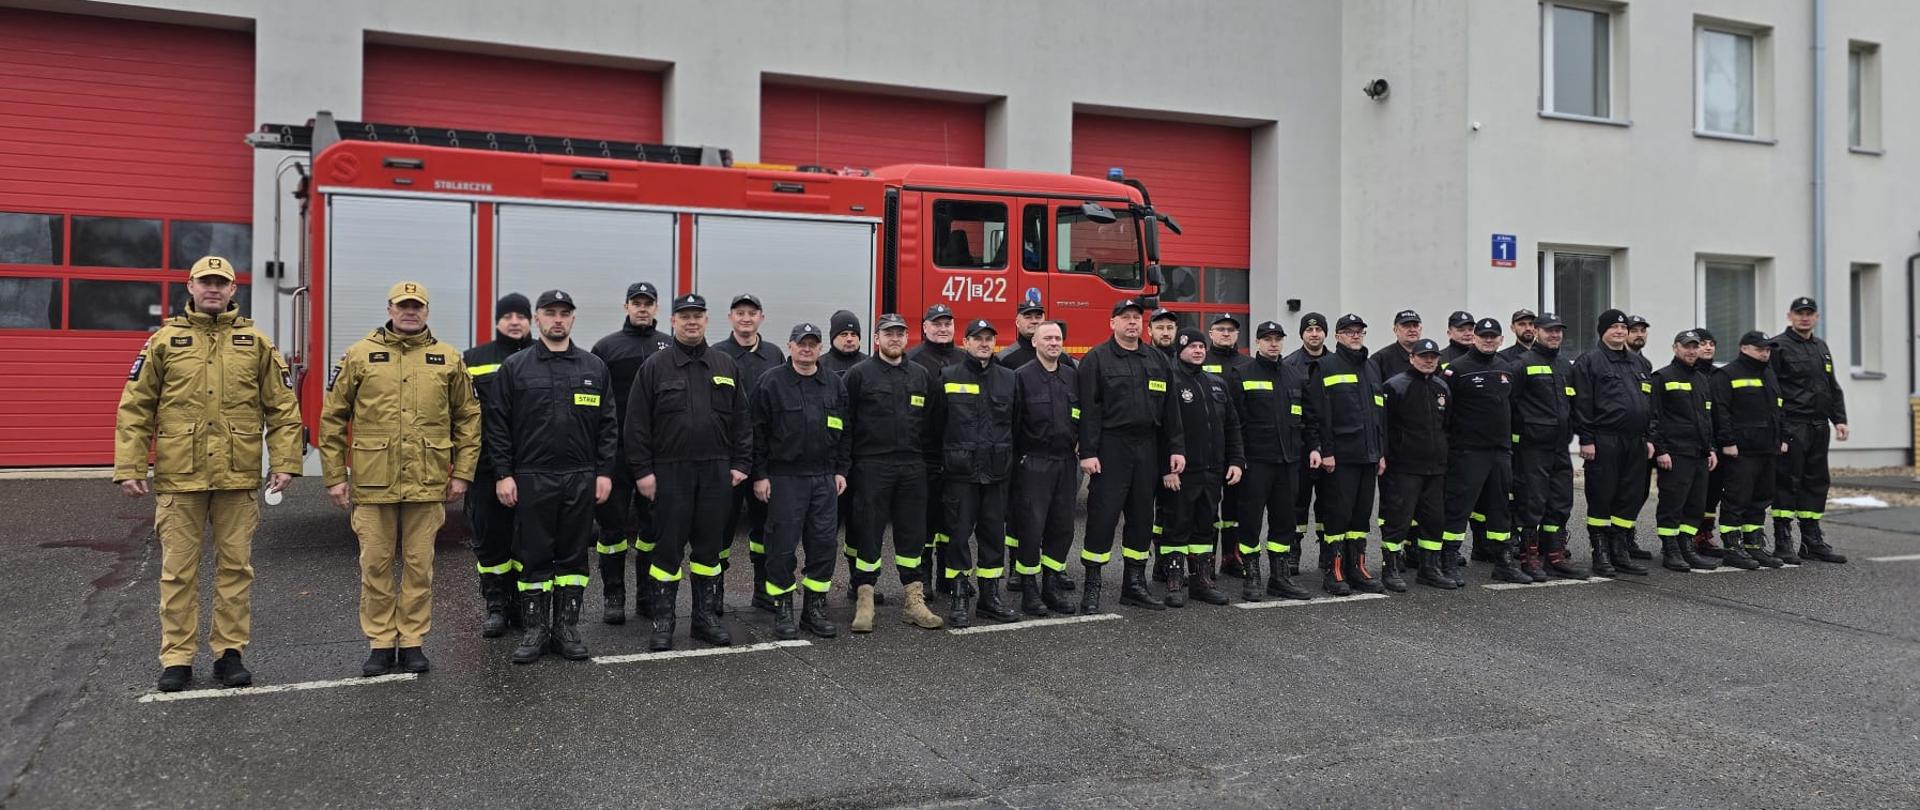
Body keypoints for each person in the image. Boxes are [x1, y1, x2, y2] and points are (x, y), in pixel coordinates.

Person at [114, 255, 302, 692]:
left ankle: (228, 653)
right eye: (206, 282)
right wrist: (129, 464)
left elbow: (282, 408)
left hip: (237, 477)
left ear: (234, 290)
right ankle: (177, 658)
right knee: (178, 571)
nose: (213, 288)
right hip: (181, 477)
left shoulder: (256, 343)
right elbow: (135, 408)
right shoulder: (164, 342)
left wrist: (286, 462)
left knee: (235, 568)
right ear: (191, 287)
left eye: (222, 282)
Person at [320, 281, 483, 676]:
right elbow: (332, 418)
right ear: (390, 308)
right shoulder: (359, 356)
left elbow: (468, 419)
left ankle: (411, 641)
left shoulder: (446, 358)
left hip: (427, 481)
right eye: (403, 306)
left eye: (417, 306)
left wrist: (462, 473)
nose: (410, 312)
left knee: (418, 565)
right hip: (374, 482)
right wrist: (333, 477)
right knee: (374, 564)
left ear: (426, 311)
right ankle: (379, 642)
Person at [484, 289, 619, 664]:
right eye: (550, 313)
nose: (557, 319)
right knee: (534, 555)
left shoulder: (593, 368)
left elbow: (608, 426)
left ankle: (566, 628)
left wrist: (605, 473)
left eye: (564, 313)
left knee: (574, 556)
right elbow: (498, 426)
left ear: (573, 319)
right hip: (532, 477)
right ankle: (535, 629)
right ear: (538, 319)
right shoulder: (517, 367)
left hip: (580, 476)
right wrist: (503, 475)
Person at [626, 293, 752, 651]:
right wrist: (643, 472)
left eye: (698, 316)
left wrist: (742, 465)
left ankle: (705, 620)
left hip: (716, 472)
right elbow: (636, 424)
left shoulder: (725, 365)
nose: (691, 321)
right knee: (667, 551)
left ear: (707, 321)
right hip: (670, 472)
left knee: (709, 551)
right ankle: (663, 622)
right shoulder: (655, 366)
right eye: (685, 316)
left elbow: (743, 420)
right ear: (673, 322)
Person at [1078, 298, 1186, 613]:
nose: (1132, 323)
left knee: (1142, 518)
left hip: (1148, 447)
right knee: (1103, 517)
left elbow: (1170, 412)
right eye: (1125, 317)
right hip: (1111, 446)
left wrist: (1175, 449)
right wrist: (1088, 452)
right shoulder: (1096, 359)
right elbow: (1088, 411)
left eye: (1137, 318)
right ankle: (1093, 586)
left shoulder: (1156, 360)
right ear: (1112, 323)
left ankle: (1134, 585)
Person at [843, 314, 944, 631]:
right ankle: (865, 599)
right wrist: (847, 467)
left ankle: (914, 601)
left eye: (900, 333)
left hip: (912, 466)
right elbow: (845, 425)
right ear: (877, 339)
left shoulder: (921, 375)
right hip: (872, 465)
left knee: (912, 534)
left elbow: (933, 423)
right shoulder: (858, 375)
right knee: (868, 533)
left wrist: (929, 464)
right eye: (889, 333)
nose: (895, 338)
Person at [751, 323, 852, 638]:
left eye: (812, 344)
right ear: (790, 346)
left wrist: (840, 471)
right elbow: (756, 434)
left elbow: (846, 432)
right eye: (801, 343)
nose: (807, 349)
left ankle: (814, 610)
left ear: (820, 348)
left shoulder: (834, 384)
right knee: (781, 547)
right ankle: (783, 610)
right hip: (785, 478)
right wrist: (760, 475)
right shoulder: (771, 383)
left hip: (823, 478)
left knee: (823, 546)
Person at [589, 282, 671, 625]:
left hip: (658, 456)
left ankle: (646, 596)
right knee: (612, 531)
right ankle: (613, 596)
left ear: (656, 308)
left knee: (654, 529)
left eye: (647, 303)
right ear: (626, 307)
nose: (642, 308)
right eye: (636, 303)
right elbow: (596, 408)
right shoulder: (606, 348)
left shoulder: (668, 346)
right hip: (617, 456)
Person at [929, 319, 1021, 626]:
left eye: (988, 338)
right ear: (965, 342)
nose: (983, 343)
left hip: (996, 473)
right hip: (960, 474)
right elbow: (935, 425)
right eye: (977, 338)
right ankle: (958, 597)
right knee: (957, 537)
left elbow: (1016, 426)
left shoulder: (1009, 379)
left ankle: (989, 598)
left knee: (993, 537)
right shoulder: (948, 375)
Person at [1225, 320, 1318, 601]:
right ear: (1257, 342)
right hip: (1256, 462)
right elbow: (1234, 424)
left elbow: (1308, 419)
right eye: (1267, 338)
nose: (1273, 343)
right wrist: (1237, 458)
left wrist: (1313, 447)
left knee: (1285, 521)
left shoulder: (1294, 376)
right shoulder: (1241, 374)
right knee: (1250, 521)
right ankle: (1251, 576)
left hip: (1289, 462)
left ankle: (1279, 577)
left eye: (1278, 338)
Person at [1158, 329, 1246, 607]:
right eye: (1191, 346)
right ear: (1179, 349)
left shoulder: (1216, 384)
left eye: (1201, 346)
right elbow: (1162, 430)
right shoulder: (1170, 381)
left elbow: (1232, 426)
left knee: (1204, 528)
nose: (1197, 351)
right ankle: (1174, 582)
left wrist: (1235, 460)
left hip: (1212, 470)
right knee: (1176, 526)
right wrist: (1167, 468)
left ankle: (1201, 582)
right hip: (1182, 472)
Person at [463, 293, 533, 636]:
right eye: (508, 316)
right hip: (486, 466)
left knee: (527, 541)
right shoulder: (474, 359)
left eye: (522, 315)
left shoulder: (546, 356)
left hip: (533, 466)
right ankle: (496, 606)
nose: (515, 321)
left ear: (532, 320)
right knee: (490, 539)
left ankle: (522, 605)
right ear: (497, 321)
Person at [1440, 318, 1529, 584]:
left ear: (1501, 339)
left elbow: (1512, 408)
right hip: (1468, 452)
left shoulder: (1507, 368)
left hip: (1500, 451)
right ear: (1474, 338)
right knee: (1459, 507)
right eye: (1484, 336)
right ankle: (1448, 560)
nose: (1488, 340)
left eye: (1493, 336)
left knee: (1500, 507)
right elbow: (1445, 413)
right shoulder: (1456, 369)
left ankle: (1502, 561)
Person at [1305, 314, 1386, 595]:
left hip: (1368, 455)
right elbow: (1315, 414)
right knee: (1338, 515)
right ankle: (1334, 571)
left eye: (1359, 331)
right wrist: (1324, 451)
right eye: (1349, 332)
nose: (1355, 336)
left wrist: (1381, 453)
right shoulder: (1324, 366)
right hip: (1339, 456)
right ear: (1337, 336)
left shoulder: (1372, 367)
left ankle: (1357, 568)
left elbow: (1378, 415)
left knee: (1361, 516)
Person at [1572, 309, 1654, 578]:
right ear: (1602, 331)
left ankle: (1620, 550)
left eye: (1623, 328)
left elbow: (1649, 406)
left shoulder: (1640, 364)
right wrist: (1586, 439)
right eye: (1613, 327)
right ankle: (1601, 553)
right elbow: (1582, 404)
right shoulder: (1589, 361)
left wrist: (1650, 438)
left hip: (1636, 441)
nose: (1619, 331)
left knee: (1629, 496)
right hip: (1604, 440)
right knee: (1602, 496)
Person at [714, 293, 784, 601]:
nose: (746, 318)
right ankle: (712, 593)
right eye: (740, 312)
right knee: (720, 527)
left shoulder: (774, 354)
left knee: (765, 526)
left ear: (761, 318)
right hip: (727, 457)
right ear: (730, 317)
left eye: (752, 313)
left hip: (765, 457)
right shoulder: (716, 354)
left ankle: (764, 590)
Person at [1770, 297, 1850, 563]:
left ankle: (1811, 540)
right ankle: (1783, 540)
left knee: (1816, 482)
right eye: (1799, 313)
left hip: (1818, 426)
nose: (1805, 318)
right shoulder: (1778, 346)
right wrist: (1779, 430)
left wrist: (1839, 419)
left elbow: (1831, 386)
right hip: (1793, 424)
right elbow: (1773, 392)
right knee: (1788, 481)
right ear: (1789, 316)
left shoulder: (1821, 347)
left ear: (1817, 317)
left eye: (1810, 313)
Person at [1009, 321, 1081, 615]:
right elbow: (1012, 425)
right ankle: (1029, 590)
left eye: (1058, 338)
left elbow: (1083, 415)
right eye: (1047, 338)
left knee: (1062, 527)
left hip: (1065, 462)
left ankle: (1051, 586)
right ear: (1035, 342)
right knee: (1031, 527)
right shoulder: (1020, 377)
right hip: (1033, 462)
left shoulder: (1071, 376)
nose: (1054, 342)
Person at [1710, 331, 1790, 570]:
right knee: (1737, 498)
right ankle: (1732, 547)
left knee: (1761, 499)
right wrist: (1727, 442)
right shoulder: (1727, 374)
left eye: (1767, 350)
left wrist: (1784, 437)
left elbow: (1779, 408)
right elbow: (1721, 412)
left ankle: (1754, 545)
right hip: (1741, 450)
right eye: (1760, 349)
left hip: (1768, 447)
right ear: (1744, 348)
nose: (1765, 353)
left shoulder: (1769, 373)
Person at [1512, 314, 1581, 579]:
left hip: (1560, 447)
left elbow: (1572, 404)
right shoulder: (1522, 364)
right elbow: (1511, 405)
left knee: (1560, 502)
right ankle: (1529, 556)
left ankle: (1554, 554)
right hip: (1532, 448)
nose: (1554, 335)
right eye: (1549, 330)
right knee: (1532, 502)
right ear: (1537, 332)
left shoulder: (1566, 366)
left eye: (1558, 331)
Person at [1379, 338, 1452, 589]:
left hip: (1435, 468)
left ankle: (1429, 569)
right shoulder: (1395, 386)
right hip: (1404, 468)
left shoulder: (1442, 387)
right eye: (1423, 356)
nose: (1429, 360)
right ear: (1412, 358)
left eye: (1433, 356)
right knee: (1398, 519)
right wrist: (1385, 458)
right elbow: (1384, 427)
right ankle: (1390, 569)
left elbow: (1447, 426)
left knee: (1434, 521)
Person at [1647, 330, 1719, 572]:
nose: (1691, 351)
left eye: (1695, 346)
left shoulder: (1701, 379)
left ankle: (1686, 546)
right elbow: (1653, 418)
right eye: (1686, 346)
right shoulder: (1662, 377)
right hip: (1675, 453)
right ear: (1675, 347)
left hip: (1699, 453)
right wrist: (1661, 450)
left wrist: (1710, 448)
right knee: (1672, 504)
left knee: (1695, 505)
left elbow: (1706, 417)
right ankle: (1670, 549)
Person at [907, 303, 965, 585]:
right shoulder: (913, 360)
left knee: (953, 518)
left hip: (958, 453)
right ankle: (924, 577)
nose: (943, 329)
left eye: (947, 324)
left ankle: (948, 575)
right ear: (925, 327)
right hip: (925, 453)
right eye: (937, 324)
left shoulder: (964, 359)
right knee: (924, 519)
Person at [1285, 312, 1333, 577]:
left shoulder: (1337, 363)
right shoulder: (1290, 364)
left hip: (1331, 446)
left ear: (1325, 333)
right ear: (1302, 334)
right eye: (1309, 330)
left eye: (1318, 330)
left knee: (1328, 503)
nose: (1314, 334)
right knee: (1297, 503)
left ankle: (1327, 552)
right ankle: (1293, 553)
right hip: (1300, 446)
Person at [1692, 330, 1730, 558]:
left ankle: (1704, 533)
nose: (1707, 348)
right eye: (1702, 344)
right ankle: (1687, 536)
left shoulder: (1720, 375)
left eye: (1711, 344)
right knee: (1694, 493)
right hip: (1695, 445)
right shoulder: (1685, 373)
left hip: (1718, 443)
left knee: (1713, 492)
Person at [997, 299, 1076, 370]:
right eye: (1028, 317)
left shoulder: (1062, 357)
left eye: (1038, 317)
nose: (1034, 321)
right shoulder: (1004, 359)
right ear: (1017, 322)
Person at [1368, 309, 1423, 382]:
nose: (1412, 329)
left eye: (1415, 326)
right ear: (1395, 330)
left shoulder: (1428, 356)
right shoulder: (1380, 359)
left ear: (1420, 329)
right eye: (1406, 326)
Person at [821, 309, 867, 377]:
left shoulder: (870, 365)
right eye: (844, 334)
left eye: (853, 334)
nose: (849, 339)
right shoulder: (820, 365)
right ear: (833, 338)